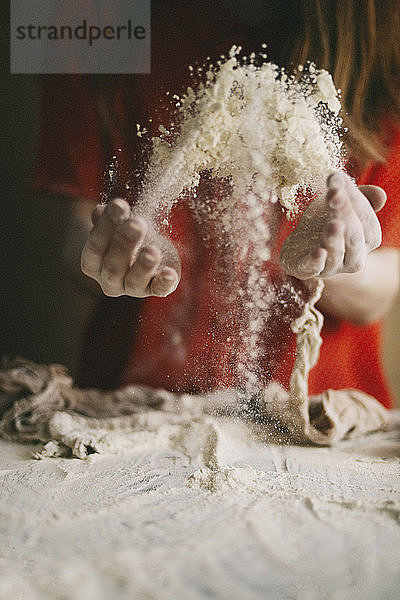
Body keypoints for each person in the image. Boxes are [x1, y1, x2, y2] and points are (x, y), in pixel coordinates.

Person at [35, 0, 400, 406]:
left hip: (311, 409)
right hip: (131, 404)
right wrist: (117, 255)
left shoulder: (381, 29)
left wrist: (333, 257)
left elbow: (379, 294)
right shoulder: (83, 17)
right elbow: (75, 236)